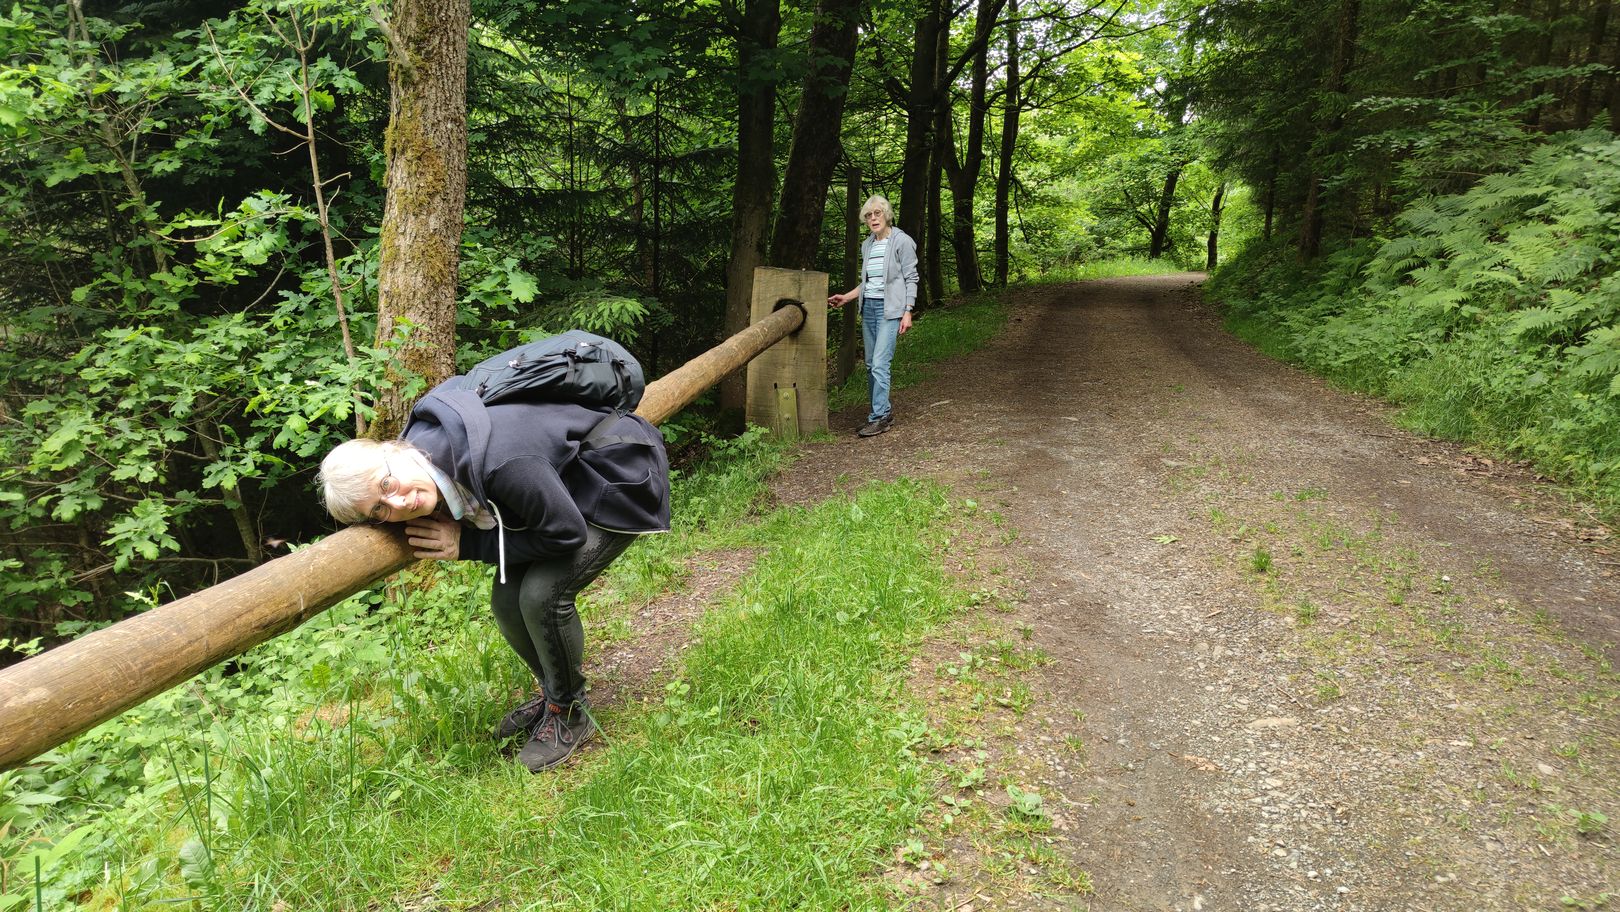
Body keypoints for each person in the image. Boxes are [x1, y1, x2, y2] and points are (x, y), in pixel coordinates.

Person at [317, 384, 670, 772]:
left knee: (541, 597)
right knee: (505, 600)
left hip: (618, 479)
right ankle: (555, 692)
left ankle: (568, 711)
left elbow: (568, 534)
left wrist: (467, 545)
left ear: (392, 451)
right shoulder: (421, 452)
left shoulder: (501, 460)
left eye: (386, 486)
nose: (399, 504)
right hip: (567, 484)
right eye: (380, 510)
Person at [828, 194, 919, 437]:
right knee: (870, 365)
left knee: (880, 363)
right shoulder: (867, 245)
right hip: (869, 308)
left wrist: (907, 311)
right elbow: (867, 283)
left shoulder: (902, 241)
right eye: (868, 215)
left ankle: (881, 415)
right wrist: (846, 297)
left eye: (877, 213)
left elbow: (912, 278)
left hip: (891, 311)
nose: (873, 218)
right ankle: (878, 414)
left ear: (886, 214)